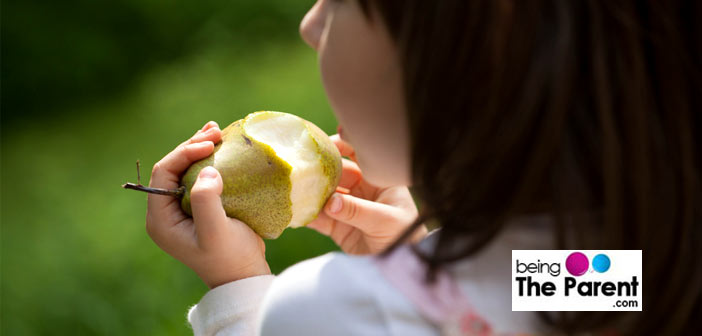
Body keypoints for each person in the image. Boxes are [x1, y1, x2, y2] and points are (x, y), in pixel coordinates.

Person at [144, 0, 701, 335]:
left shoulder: (323, 312)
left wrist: (239, 295)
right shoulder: (636, 265)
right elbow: (509, 294)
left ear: (457, 50)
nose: (310, 25)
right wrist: (411, 267)